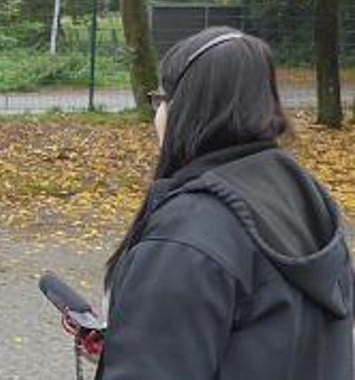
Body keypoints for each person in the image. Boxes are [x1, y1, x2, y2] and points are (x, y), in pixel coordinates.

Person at [96, 28, 353, 380]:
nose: (157, 113)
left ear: (186, 107)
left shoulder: (188, 234)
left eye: (161, 99)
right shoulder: (302, 196)